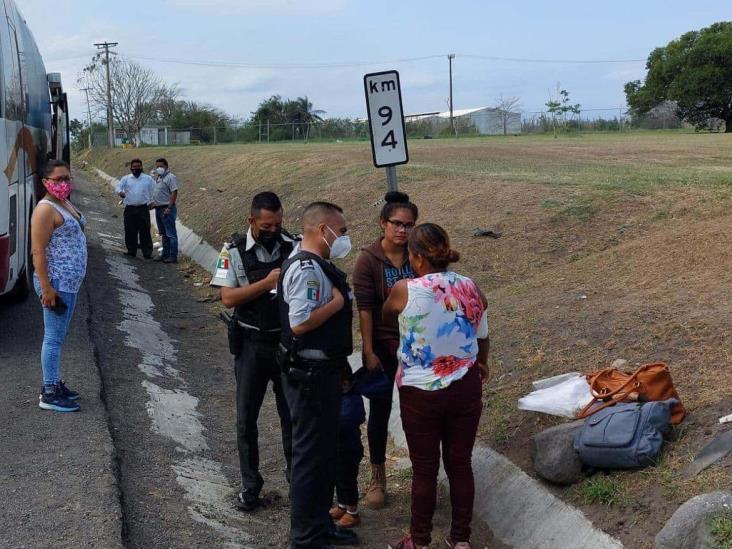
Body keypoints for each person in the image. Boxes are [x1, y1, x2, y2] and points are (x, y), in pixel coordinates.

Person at [383, 223, 490, 549]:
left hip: (420, 393)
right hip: (465, 387)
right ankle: (460, 540)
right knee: (460, 465)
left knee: (425, 470)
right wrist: (481, 363)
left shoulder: (405, 289)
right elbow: (482, 334)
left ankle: (418, 541)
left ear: (416, 258)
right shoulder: (471, 286)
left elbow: (387, 317)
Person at [277, 201, 359, 548]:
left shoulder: (320, 265)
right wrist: (337, 304)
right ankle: (306, 536)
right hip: (309, 375)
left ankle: (321, 526)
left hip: (323, 371)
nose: (344, 238)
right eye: (340, 232)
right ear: (321, 230)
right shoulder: (308, 270)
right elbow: (299, 323)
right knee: (310, 458)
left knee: (324, 454)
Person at [209, 192, 295, 511]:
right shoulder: (231, 251)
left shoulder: (294, 245)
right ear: (252, 221)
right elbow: (228, 299)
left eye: (278, 223)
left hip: (285, 344)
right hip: (252, 345)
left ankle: (296, 482)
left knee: (292, 417)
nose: (273, 229)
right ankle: (250, 485)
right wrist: (269, 281)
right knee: (247, 418)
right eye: (266, 224)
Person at [352, 191, 418, 509]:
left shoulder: (418, 256)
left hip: (417, 345)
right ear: (383, 223)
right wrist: (368, 350)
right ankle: (378, 478)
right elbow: (365, 309)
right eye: (396, 224)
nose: (402, 230)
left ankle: (424, 474)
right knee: (379, 410)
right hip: (382, 343)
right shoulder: (368, 259)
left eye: (409, 225)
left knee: (419, 410)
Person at [30, 160, 88, 413]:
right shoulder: (44, 210)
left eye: (67, 178)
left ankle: (55, 382)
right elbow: (38, 251)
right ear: (45, 182)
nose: (64, 183)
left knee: (59, 336)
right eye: (58, 179)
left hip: (69, 282)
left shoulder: (63, 203)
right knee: (53, 338)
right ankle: (49, 391)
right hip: (55, 283)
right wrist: (46, 288)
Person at [329, 368, 365, 529]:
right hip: (338, 448)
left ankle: (352, 512)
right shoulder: (338, 398)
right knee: (339, 478)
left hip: (349, 449)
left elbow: (351, 419)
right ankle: (342, 504)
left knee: (347, 480)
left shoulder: (351, 399)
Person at [116, 158, 154, 258]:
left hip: (143, 208)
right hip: (130, 208)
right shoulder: (126, 178)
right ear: (131, 168)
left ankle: (147, 252)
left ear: (141, 167)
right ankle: (131, 251)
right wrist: (120, 192)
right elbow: (118, 187)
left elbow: (154, 190)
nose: (136, 168)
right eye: (134, 167)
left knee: (145, 231)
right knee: (130, 230)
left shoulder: (148, 179)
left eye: (138, 167)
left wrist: (152, 202)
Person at [151, 158, 179, 263]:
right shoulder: (158, 178)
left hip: (166, 209)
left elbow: (174, 192)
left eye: (161, 166)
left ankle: (173, 256)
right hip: (158, 209)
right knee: (164, 233)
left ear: (166, 166)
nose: (159, 168)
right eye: (157, 166)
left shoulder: (170, 177)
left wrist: (169, 207)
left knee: (171, 234)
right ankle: (165, 254)